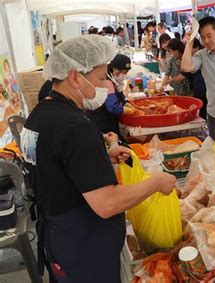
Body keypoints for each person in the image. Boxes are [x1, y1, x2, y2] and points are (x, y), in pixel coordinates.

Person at [20, 35, 176, 282]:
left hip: (58, 239)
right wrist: (156, 183)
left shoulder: (37, 117)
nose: (105, 86)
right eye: (101, 78)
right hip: (85, 248)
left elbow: (56, 168)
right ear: (74, 77)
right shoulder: (75, 127)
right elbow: (107, 204)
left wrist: (102, 157)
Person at [181, 16, 215, 141]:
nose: (206, 40)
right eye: (202, 37)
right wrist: (189, 42)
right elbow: (185, 67)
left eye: (209, 35)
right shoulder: (202, 55)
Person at [85, 54, 131, 141]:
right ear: (114, 69)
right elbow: (112, 107)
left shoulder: (115, 81)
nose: (124, 75)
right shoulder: (107, 82)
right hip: (102, 123)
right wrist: (129, 110)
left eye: (126, 73)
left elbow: (120, 98)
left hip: (109, 120)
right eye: (123, 72)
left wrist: (128, 104)